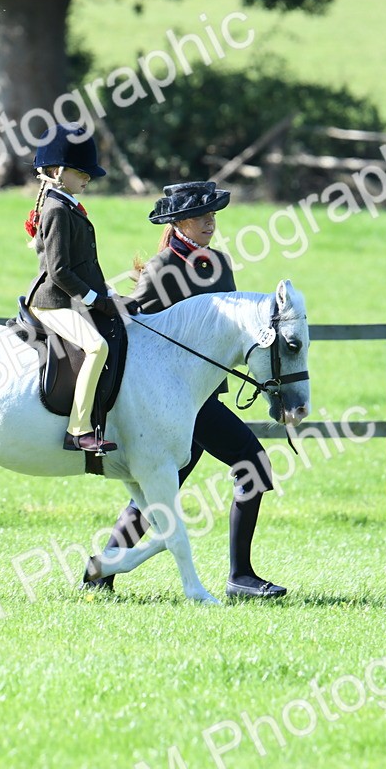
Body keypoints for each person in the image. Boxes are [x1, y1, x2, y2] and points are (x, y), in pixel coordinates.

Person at [85, 181, 287, 598]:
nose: (210, 223)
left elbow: (234, 326)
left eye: (213, 215)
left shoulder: (221, 264)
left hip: (204, 397)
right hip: (172, 402)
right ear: (179, 222)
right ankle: (240, 577)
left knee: (158, 488)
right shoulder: (162, 268)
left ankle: (101, 572)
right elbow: (137, 323)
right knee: (252, 464)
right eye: (201, 217)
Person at [23, 124, 120, 454]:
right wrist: (95, 300)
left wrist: (108, 293)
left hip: (68, 298)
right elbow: (60, 270)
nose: (88, 178)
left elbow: (85, 265)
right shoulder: (56, 209)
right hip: (51, 302)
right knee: (96, 347)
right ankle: (77, 430)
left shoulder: (67, 205)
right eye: (81, 172)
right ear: (57, 172)